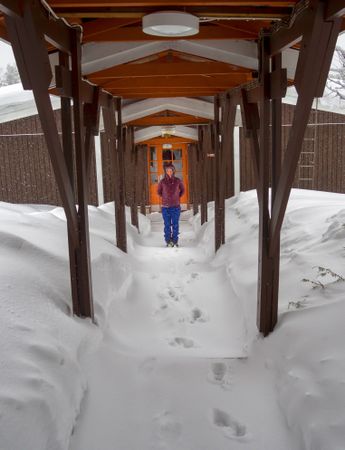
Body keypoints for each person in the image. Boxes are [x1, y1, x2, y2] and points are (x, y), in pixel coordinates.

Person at [157, 163, 185, 247]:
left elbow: (183, 190)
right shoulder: (162, 182)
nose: (169, 172)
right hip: (165, 207)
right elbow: (159, 192)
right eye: (167, 170)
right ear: (165, 172)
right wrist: (166, 197)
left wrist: (176, 197)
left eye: (170, 170)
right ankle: (168, 241)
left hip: (176, 207)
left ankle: (175, 241)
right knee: (167, 225)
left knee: (175, 224)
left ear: (173, 171)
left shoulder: (177, 180)